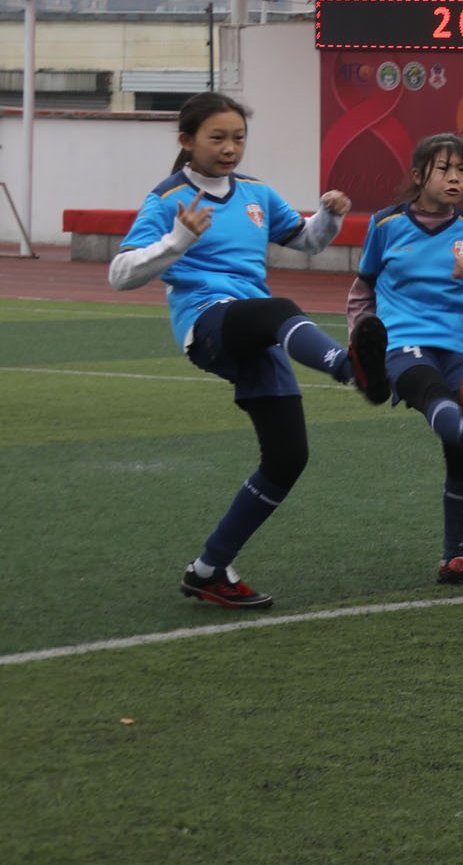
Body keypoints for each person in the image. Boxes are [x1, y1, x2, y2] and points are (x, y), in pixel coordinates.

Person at [109, 91, 391, 610]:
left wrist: (327, 216)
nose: (230, 148)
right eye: (217, 137)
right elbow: (120, 273)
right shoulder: (168, 199)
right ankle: (349, 366)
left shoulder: (257, 193)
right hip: (208, 323)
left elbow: (305, 241)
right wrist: (176, 241)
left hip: (260, 330)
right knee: (277, 307)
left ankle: (209, 569)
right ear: (186, 141)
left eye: (238, 137)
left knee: (287, 458)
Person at [348, 134, 463, 592]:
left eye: (462, 171)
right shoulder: (386, 225)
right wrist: (361, 342)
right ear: (418, 176)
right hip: (403, 343)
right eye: (444, 169)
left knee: (462, 447)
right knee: (444, 412)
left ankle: (455, 561)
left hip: (459, 347)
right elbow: (362, 289)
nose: (454, 178)